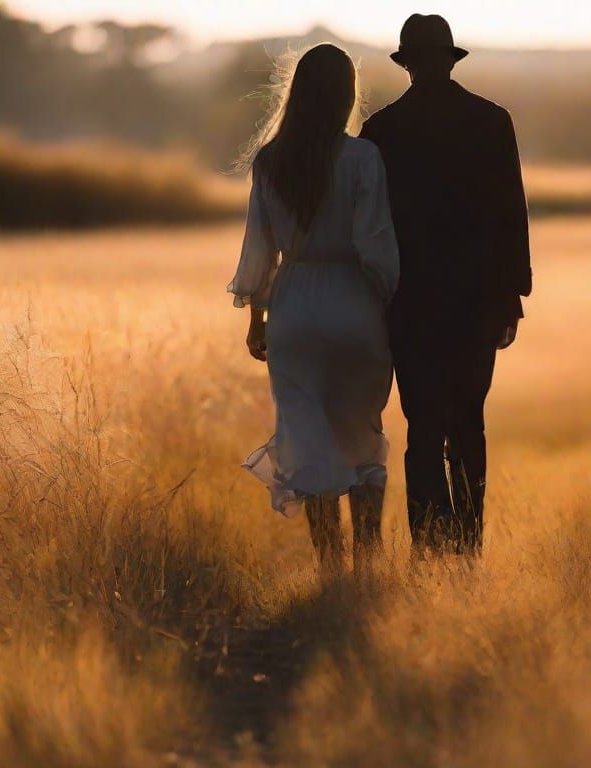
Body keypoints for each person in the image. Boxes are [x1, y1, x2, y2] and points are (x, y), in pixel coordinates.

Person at [360, 14, 532, 555]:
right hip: (477, 302)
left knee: (423, 425)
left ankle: (429, 548)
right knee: (468, 421)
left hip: (408, 303)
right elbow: (512, 214)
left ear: (406, 63)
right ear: (448, 59)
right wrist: (512, 297)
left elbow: (371, 226)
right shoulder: (491, 120)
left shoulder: (380, 132)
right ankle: (469, 545)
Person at [228, 44, 399, 575]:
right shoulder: (362, 158)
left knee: (309, 439)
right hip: (355, 304)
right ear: (346, 93)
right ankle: (367, 564)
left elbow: (259, 246)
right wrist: (390, 302)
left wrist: (258, 316)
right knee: (360, 433)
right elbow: (375, 243)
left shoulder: (271, 161)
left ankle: (331, 568)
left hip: (294, 308)